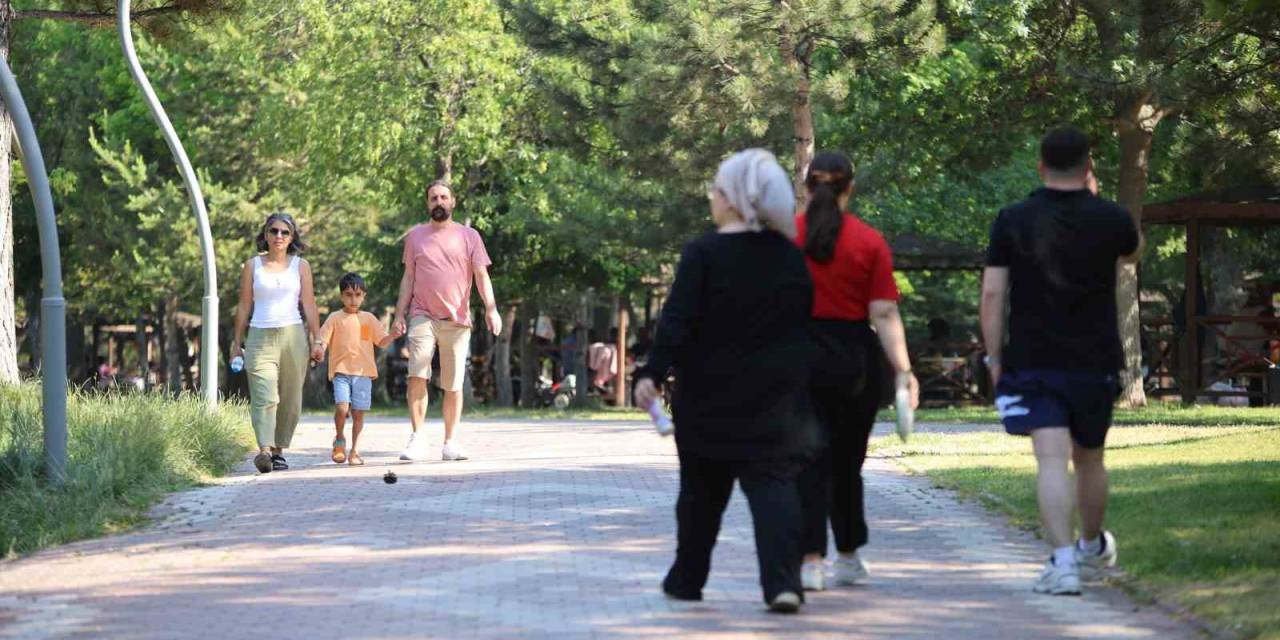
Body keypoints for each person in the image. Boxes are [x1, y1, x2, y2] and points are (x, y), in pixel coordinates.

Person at [633, 148, 817, 614]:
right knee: (775, 491)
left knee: (699, 494)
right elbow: (802, 325)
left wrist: (651, 372)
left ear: (734, 198)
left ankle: (687, 578)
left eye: (716, 189)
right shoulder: (791, 258)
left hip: (707, 398)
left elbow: (676, 322)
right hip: (776, 400)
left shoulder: (703, 253)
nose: (711, 196)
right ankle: (783, 583)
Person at [980, 126, 1142, 595]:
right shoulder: (1111, 218)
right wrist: (1099, 201)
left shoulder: (1013, 218)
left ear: (1040, 165)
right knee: (1090, 458)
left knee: (1050, 460)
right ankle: (1092, 547)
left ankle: (1064, 563)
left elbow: (993, 293)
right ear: (1089, 166)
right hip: (1095, 358)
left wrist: (994, 357)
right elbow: (1134, 252)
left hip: (1033, 357)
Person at [793, 151, 919, 592]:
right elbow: (883, 313)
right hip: (854, 361)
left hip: (798, 357)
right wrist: (903, 372)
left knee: (806, 460)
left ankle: (809, 560)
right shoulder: (869, 241)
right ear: (851, 187)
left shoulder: (786, 237)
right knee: (848, 462)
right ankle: (848, 553)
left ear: (808, 186)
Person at [392, 181, 502, 462]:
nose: (438, 202)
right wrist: (398, 314)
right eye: (433, 198)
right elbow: (408, 278)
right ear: (427, 204)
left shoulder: (470, 236)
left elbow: (481, 276)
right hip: (422, 315)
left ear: (453, 202)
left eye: (443, 197)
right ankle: (417, 438)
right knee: (417, 374)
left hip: (457, 319)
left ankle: (450, 442)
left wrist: (491, 309)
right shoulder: (416, 237)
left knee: (453, 385)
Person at [230, 212, 324, 474]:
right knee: (264, 395)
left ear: (292, 237)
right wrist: (236, 342)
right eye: (274, 231)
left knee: (290, 397)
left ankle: (279, 450)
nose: (279, 236)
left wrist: (317, 339)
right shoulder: (252, 266)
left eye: (285, 232)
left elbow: (309, 304)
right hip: (260, 336)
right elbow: (244, 305)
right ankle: (264, 450)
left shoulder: (300, 266)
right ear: (266, 235)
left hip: (293, 335)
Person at [316, 273, 401, 466]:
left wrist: (394, 335)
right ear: (341, 296)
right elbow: (323, 339)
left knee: (358, 414)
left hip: (363, 374)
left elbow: (382, 341)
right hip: (341, 372)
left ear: (364, 296)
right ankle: (339, 440)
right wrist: (319, 349)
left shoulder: (368, 319)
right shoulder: (334, 318)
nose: (353, 299)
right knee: (342, 407)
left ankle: (355, 451)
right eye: (348, 294)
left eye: (357, 294)